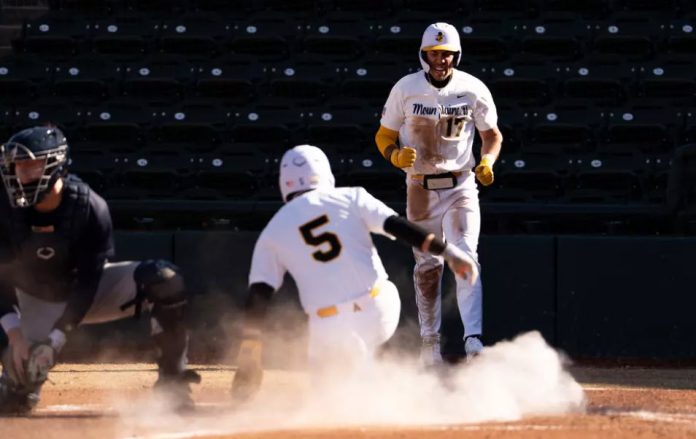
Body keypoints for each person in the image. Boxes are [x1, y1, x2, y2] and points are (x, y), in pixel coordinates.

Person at [229, 144, 478, 402]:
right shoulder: (352, 196)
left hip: (328, 326)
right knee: (347, 382)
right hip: (379, 308)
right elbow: (398, 226)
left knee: (330, 401)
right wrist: (449, 253)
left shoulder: (273, 230)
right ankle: (387, 378)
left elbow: (259, 295)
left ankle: (372, 378)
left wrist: (249, 353)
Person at [0, 126, 200, 415]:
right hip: (34, 299)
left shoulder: (90, 207)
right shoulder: (5, 207)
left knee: (164, 279)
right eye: (18, 166)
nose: (22, 174)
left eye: (31, 165)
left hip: (87, 292)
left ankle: (173, 383)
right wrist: (16, 337)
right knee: (15, 399)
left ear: (57, 165)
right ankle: (16, 386)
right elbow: (1, 278)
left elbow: (88, 281)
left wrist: (56, 339)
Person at [374, 22, 503, 365]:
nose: (440, 60)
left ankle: (473, 340)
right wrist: (394, 156)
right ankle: (429, 341)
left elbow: (492, 135)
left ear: (455, 55)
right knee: (428, 266)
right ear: (424, 55)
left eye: (446, 54)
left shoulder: (472, 88)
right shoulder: (406, 88)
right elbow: (383, 135)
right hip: (420, 187)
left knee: (466, 256)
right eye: (434, 54)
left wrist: (487, 161)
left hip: (460, 184)